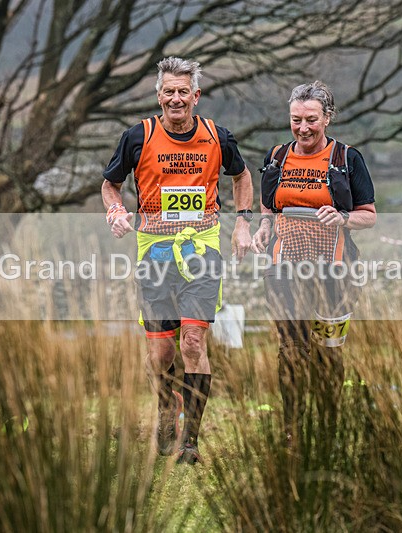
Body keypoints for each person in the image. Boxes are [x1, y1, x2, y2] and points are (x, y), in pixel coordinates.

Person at [102, 57, 253, 464]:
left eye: (183, 91)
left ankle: (190, 442)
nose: (175, 98)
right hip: (153, 252)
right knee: (160, 355)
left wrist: (242, 223)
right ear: (158, 95)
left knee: (192, 341)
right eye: (168, 91)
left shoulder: (217, 136)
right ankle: (168, 408)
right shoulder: (138, 136)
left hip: (202, 250)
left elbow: (241, 176)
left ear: (196, 96)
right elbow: (110, 184)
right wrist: (116, 211)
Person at [251, 81, 376, 448]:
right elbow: (268, 207)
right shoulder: (277, 156)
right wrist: (263, 229)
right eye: (295, 120)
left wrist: (343, 218)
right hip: (284, 269)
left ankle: (327, 427)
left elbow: (368, 216)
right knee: (291, 350)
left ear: (328, 118)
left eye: (311, 120)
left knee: (327, 352)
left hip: (334, 272)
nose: (303, 128)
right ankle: (292, 432)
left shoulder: (347, 159)